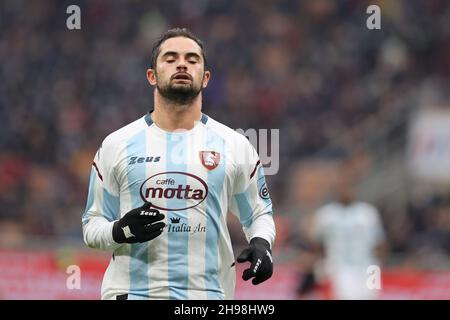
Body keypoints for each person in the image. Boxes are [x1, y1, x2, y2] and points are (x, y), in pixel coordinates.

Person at [81, 28, 276, 300]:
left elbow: (258, 214)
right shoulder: (117, 144)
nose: (182, 64)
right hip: (131, 293)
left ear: (206, 78)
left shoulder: (235, 145)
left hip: (206, 295)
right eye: (170, 58)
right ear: (152, 75)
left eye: (192, 59)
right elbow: (91, 225)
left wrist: (261, 243)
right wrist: (120, 229)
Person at [310, 169, 386, 300]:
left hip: (368, 267)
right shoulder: (325, 215)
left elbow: (380, 243)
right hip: (340, 267)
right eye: (342, 187)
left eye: (349, 187)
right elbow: (317, 243)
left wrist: (377, 266)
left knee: (371, 297)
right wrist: (321, 264)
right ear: (336, 190)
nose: (346, 191)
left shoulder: (368, 213)